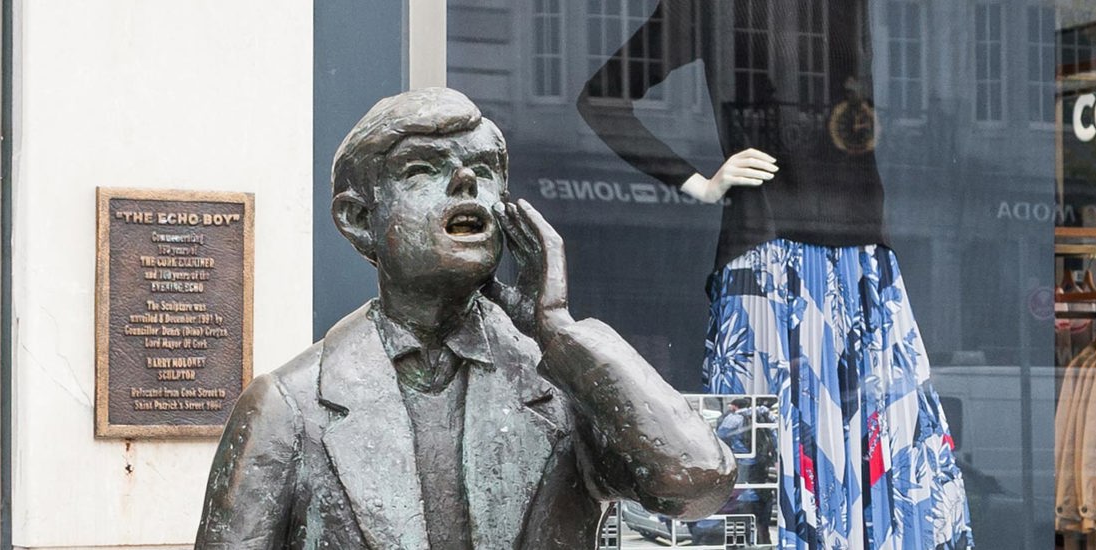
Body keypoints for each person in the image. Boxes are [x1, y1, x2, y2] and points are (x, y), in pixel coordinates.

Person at [196, 88, 736, 549]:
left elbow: (696, 483)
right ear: (359, 219)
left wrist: (558, 330)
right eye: (422, 171)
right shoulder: (289, 408)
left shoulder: (562, 382)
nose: (463, 182)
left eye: (483, 169)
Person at [578, 3, 973, 548]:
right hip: (768, 265)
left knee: (887, 474)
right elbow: (602, 99)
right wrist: (698, 183)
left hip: (863, 267)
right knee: (770, 473)